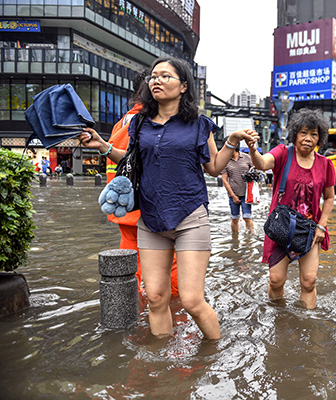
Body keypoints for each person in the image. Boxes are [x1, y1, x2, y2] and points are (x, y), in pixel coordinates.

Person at [79, 57, 253, 340]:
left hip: (190, 219)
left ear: (183, 86)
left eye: (165, 76)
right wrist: (103, 146)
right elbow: (132, 161)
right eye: (153, 76)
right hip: (151, 220)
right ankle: (161, 367)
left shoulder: (198, 124)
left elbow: (213, 168)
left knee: (192, 301)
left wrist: (231, 141)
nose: (156, 80)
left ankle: (212, 355)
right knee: (156, 298)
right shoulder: (139, 123)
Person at [80, 71, 179, 296]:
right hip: (149, 209)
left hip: (124, 209)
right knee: (171, 268)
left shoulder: (120, 123)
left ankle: (133, 317)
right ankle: (177, 316)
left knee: (131, 267)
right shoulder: (151, 121)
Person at [246, 108, 335, 310]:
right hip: (281, 227)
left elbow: (329, 198)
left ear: (319, 139)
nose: (308, 138)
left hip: (310, 229)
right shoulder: (283, 153)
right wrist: (253, 149)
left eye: (314, 134)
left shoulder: (326, 164)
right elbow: (261, 163)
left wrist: (322, 226)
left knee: (309, 281)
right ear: (295, 134)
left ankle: (306, 321)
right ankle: (279, 316)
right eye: (303, 133)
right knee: (276, 281)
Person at [222, 144, 255, 232]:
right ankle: (235, 241)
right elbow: (225, 180)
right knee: (234, 218)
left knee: (247, 217)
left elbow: (255, 169)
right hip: (233, 194)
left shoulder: (246, 157)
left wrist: (253, 172)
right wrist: (233, 196)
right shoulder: (225, 161)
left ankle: (250, 241)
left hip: (246, 193)